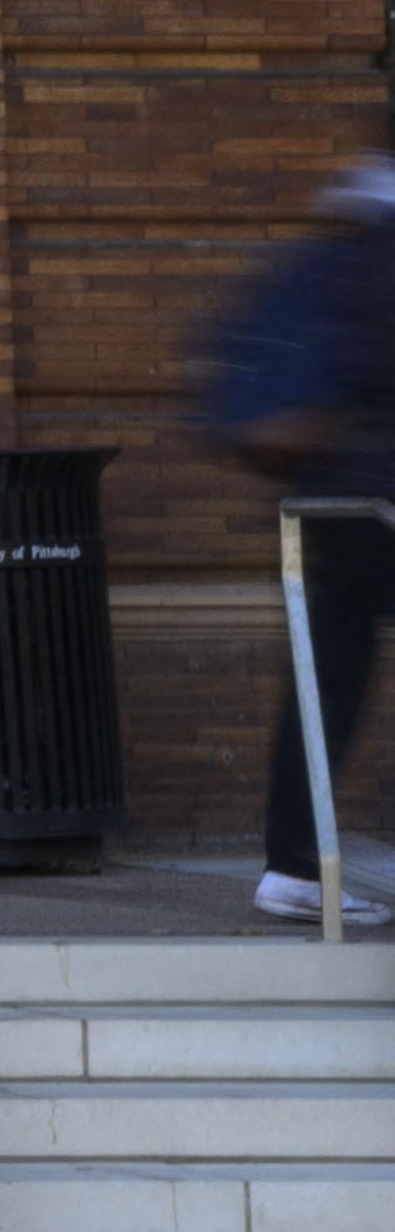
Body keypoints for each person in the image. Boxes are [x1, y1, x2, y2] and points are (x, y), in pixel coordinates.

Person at [196, 154, 395, 925]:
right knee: (332, 680)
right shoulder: (373, 260)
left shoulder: (310, 261)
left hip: (324, 502)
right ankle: (296, 870)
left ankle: (292, 867)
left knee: (328, 681)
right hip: (375, 490)